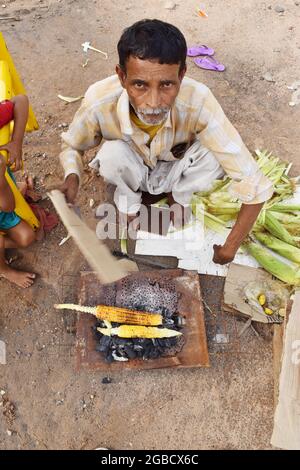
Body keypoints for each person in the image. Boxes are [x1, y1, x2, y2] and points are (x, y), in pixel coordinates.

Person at [58, 19, 273, 265]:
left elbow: (253, 182)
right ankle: (130, 203)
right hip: (131, 163)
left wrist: (230, 247)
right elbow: (72, 145)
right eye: (139, 84)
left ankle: (176, 197)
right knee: (110, 155)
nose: (153, 102)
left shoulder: (198, 100)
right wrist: (72, 176)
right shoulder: (99, 100)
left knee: (214, 157)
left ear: (182, 75)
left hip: (177, 166)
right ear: (121, 76)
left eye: (167, 85)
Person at [0, 96, 36, 288]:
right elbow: (7, 206)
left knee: (29, 237)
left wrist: (16, 143)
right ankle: (4, 270)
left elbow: (20, 101)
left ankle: (19, 186)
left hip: (3, 200)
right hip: (3, 199)